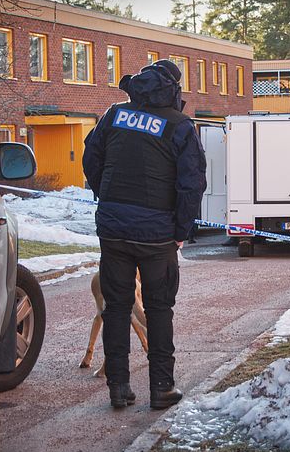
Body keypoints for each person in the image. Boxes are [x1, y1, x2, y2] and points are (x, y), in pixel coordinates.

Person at [82, 59, 207, 410]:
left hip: (114, 230)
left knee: (116, 308)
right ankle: (161, 388)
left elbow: (91, 158)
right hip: (157, 234)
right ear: (173, 89)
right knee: (159, 308)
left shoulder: (115, 114)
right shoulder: (180, 126)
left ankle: (118, 388)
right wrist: (181, 230)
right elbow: (192, 183)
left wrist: (105, 195)